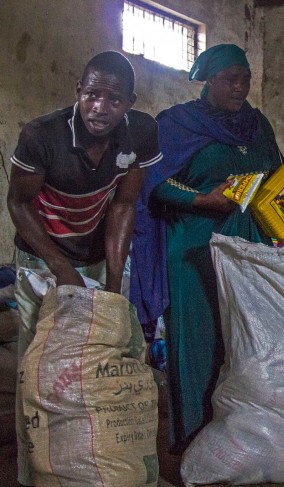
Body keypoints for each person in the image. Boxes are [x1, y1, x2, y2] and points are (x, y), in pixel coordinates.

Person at [130, 44, 284, 454]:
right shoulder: (176, 123)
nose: (241, 87)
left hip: (250, 246)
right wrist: (201, 200)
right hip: (196, 247)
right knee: (200, 340)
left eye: (246, 78)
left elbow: (275, 179)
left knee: (248, 341)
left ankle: (245, 441)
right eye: (232, 79)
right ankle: (195, 440)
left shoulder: (257, 125)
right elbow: (155, 184)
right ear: (208, 78)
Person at [7, 51, 161, 486]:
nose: (100, 107)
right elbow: (18, 203)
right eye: (92, 94)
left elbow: (124, 205)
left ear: (129, 103)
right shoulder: (41, 136)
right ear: (78, 91)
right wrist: (59, 268)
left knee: (103, 358)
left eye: (113, 99)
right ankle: (34, 474)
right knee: (36, 369)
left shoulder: (141, 134)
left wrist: (112, 287)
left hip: (96, 254)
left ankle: (98, 465)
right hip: (41, 257)